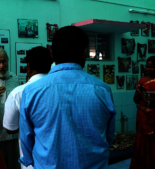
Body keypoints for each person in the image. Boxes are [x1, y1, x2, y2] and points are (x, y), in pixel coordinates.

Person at [18, 26, 116, 169]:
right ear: (84, 53)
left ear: (52, 53)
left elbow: (26, 138)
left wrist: (29, 160)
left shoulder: (32, 91)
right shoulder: (102, 90)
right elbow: (108, 136)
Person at [3, 46, 53, 169]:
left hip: (32, 163)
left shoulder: (18, 93)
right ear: (50, 64)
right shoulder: (61, 88)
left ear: (28, 67)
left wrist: (28, 122)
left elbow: (10, 128)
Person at [130, 56, 155, 169]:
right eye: (147, 66)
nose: (148, 69)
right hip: (142, 116)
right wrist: (138, 96)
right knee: (141, 142)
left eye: (152, 67)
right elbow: (135, 100)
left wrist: (153, 100)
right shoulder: (142, 80)